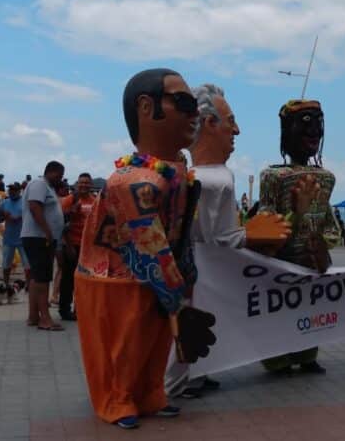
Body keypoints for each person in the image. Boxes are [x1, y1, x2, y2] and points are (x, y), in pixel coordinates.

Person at [75, 69, 215, 429]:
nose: (193, 114)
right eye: (183, 103)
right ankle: (117, 398)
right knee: (126, 343)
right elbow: (147, 240)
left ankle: (152, 391)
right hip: (119, 276)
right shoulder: (133, 179)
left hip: (162, 274)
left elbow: (181, 228)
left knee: (156, 342)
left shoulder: (178, 173)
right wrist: (176, 290)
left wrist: (183, 274)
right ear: (146, 107)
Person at [169, 82, 290, 398]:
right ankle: (181, 382)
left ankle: (195, 373)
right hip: (196, 272)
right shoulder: (214, 181)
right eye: (230, 121)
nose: (236, 130)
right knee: (191, 322)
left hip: (195, 273)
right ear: (209, 124)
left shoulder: (200, 176)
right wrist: (253, 233)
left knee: (195, 321)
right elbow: (218, 238)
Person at [257, 98, 340, 374]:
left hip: (310, 261)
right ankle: (277, 358)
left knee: (309, 310)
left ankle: (306, 354)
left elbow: (329, 222)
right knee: (278, 310)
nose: (314, 130)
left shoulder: (326, 178)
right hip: (280, 260)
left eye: (318, 122)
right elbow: (268, 222)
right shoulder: (272, 177)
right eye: (305, 122)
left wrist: (323, 242)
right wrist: (296, 214)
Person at [22, 161, 66, 331]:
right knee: (42, 279)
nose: (60, 179)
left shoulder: (48, 188)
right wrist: (47, 231)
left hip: (41, 237)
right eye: (59, 175)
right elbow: (34, 207)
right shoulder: (39, 184)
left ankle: (33, 316)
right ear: (50, 171)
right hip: (38, 237)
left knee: (36, 277)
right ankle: (45, 319)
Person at [59, 172, 94, 322]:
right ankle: (64, 310)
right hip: (72, 245)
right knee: (68, 279)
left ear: (91, 185)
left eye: (87, 183)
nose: (84, 185)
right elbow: (62, 224)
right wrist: (68, 246)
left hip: (88, 247)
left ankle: (80, 309)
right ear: (76, 184)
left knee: (85, 280)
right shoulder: (69, 200)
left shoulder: (95, 201)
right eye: (81, 182)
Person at [0, 182, 28, 285]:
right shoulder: (4, 203)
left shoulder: (25, 202)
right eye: (10, 190)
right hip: (8, 237)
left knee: (27, 263)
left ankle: (28, 284)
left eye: (14, 190)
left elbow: (29, 217)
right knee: (6, 263)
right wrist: (4, 216)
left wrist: (18, 217)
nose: (11, 192)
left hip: (23, 238)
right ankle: (6, 283)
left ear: (19, 191)